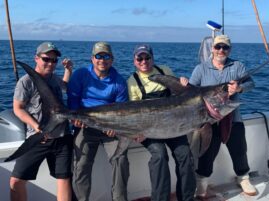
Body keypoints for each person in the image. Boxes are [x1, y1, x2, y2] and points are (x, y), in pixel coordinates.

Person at [189, 35, 257, 198]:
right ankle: (202, 182)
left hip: (232, 118)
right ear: (212, 48)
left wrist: (239, 88)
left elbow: (251, 83)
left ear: (229, 50)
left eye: (225, 47)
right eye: (218, 47)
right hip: (209, 120)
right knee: (207, 153)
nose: (221, 50)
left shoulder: (237, 66)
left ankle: (243, 177)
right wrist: (185, 84)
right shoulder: (201, 69)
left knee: (239, 150)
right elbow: (190, 91)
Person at [127, 44, 196, 201]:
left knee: (184, 153)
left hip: (173, 126)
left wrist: (185, 85)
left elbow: (180, 95)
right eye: (140, 58)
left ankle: (187, 198)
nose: (144, 61)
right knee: (159, 154)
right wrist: (138, 132)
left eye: (147, 57)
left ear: (153, 58)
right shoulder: (132, 81)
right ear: (134, 61)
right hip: (149, 130)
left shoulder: (164, 70)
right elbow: (134, 112)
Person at [10, 42, 73, 201]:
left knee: (64, 179)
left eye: (54, 61)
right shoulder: (26, 81)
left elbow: (64, 86)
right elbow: (18, 108)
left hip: (62, 137)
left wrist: (68, 70)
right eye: (46, 59)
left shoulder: (54, 79)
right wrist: (36, 127)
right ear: (36, 58)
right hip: (38, 139)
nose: (50, 63)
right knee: (16, 181)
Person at [67, 42, 129, 201]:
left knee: (120, 160)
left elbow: (121, 111)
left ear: (112, 59)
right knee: (81, 164)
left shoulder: (119, 81)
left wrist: (114, 127)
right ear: (92, 59)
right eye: (98, 56)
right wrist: (75, 119)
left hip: (110, 129)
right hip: (85, 126)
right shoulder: (80, 75)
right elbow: (73, 100)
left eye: (106, 56)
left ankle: (119, 198)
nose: (102, 60)